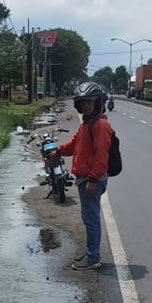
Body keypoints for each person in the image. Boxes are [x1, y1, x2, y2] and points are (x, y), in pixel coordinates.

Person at [51, 82, 112, 270]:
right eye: (83, 102)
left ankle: (93, 258)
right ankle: (90, 252)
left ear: (98, 102)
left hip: (91, 179)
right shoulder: (87, 123)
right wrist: (59, 151)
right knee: (88, 218)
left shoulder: (100, 125)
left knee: (91, 219)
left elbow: (101, 155)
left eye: (89, 102)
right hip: (85, 177)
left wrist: (93, 179)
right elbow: (74, 144)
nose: (86, 106)